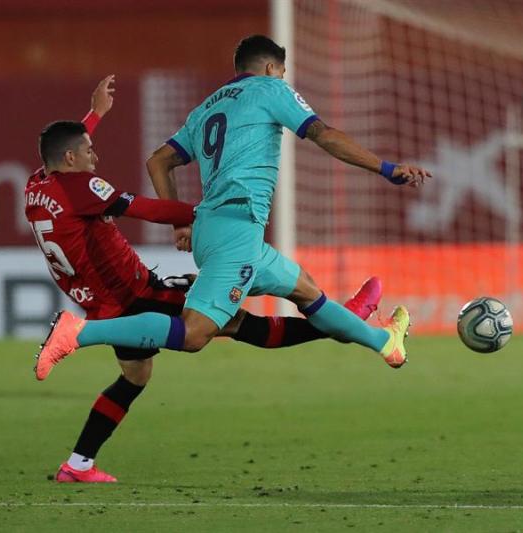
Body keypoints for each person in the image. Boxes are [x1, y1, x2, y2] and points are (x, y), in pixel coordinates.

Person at [27, 76, 382, 483]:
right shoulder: (85, 185)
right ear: (72, 159)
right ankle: (344, 323)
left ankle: (78, 464)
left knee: (135, 376)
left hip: (100, 300)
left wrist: (94, 115)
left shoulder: (38, 184)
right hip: (133, 291)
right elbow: (146, 209)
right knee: (231, 321)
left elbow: (65, 151)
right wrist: (207, 215)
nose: (95, 156)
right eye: (88, 152)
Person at [35, 34, 429, 386]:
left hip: (218, 229)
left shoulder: (205, 108)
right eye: (282, 71)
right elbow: (322, 134)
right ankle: (79, 333)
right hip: (235, 230)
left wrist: (180, 226)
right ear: (273, 68)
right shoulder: (271, 89)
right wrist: (386, 168)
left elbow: (158, 161)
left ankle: (384, 342)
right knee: (194, 335)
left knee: (305, 290)